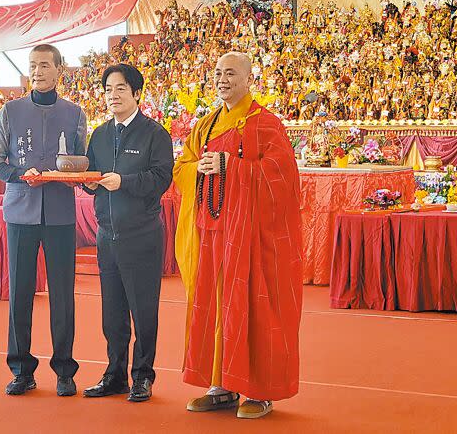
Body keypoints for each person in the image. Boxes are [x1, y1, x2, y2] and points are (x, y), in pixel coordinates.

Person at [173, 52, 303, 419]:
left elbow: (282, 178)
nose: (222, 79)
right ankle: (221, 386)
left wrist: (234, 167)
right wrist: (199, 167)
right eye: (217, 73)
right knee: (216, 307)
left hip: (252, 237)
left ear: (248, 80)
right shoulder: (207, 125)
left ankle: (260, 392)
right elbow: (181, 166)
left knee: (255, 307)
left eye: (230, 73)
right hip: (212, 235)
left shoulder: (265, 124)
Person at [0, 44, 87, 397]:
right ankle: (21, 369)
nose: (38, 71)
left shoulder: (74, 113)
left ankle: (64, 369)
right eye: (33, 65)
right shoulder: (10, 112)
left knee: (63, 295)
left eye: (45, 65)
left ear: (60, 69)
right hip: (20, 212)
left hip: (59, 213)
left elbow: (81, 161)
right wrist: (18, 173)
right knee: (20, 293)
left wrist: (77, 173)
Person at [82, 63, 174, 402]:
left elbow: (161, 179)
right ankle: (115, 374)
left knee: (143, 310)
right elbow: (91, 174)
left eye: (120, 88)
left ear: (137, 93)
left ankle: (143, 376)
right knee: (113, 313)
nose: (113, 95)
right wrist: (90, 183)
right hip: (107, 235)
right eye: (108, 89)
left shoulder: (155, 134)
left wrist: (126, 182)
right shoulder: (101, 134)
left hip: (142, 235)